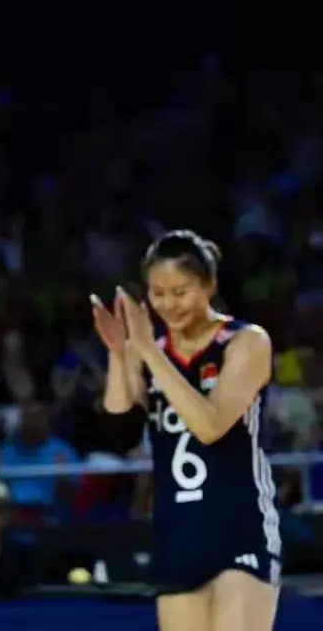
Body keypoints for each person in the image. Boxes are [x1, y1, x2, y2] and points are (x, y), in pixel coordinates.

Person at [92, 230, 281, 631]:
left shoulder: (245, 341)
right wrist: (119, 353)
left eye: (180, 292)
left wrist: (147, 351)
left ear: (209, 285)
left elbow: (211, 427)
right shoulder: (149, 349)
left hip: (240, 524)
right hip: (178, 531)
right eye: (158, 293)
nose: (169, 304)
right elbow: (119, 426)